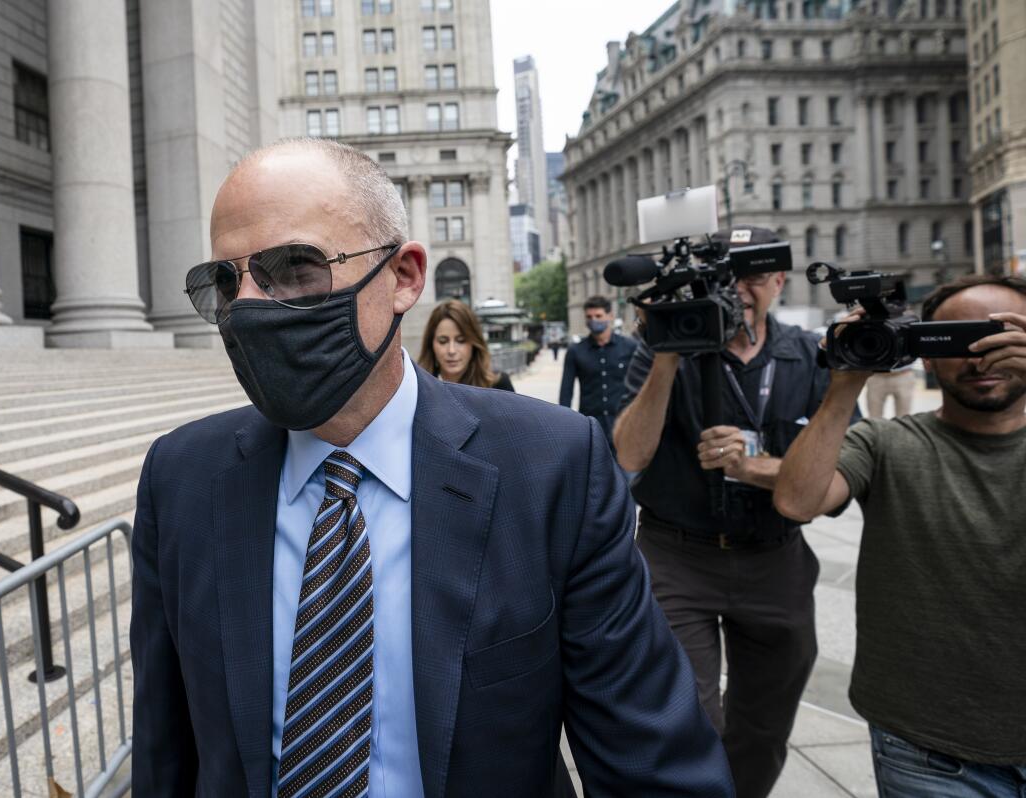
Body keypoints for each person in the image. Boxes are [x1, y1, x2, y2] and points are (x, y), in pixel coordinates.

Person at [131, 138, 733, 797]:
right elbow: (166, 752)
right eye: (223, 281)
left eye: (293, 267)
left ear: (404, 277)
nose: (247, 307)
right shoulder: (181, 478)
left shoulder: (552, 468)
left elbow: (652, 764)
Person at [612, 225, 855, 798]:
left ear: (778, 280)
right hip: (677, 556)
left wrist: (762, 467)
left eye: (752, 275)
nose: (738, 290)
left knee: (764, 724)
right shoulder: (661, 348)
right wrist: (668, 356)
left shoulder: (809, 355)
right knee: (685, 715)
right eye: (725, 276)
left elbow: (843, 473)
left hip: (775, 558)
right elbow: (628, 455)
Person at [774, 274, 1026, 798]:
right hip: (926, 748)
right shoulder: (887, 441)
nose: (980, 358)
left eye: (1000, 336)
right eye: (959, 340)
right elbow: (797, 501)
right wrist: (844, 384)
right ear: (925, 354)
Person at [558, 295, 638, 444]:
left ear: (610, 316)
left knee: (627, 467)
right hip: (591, 427)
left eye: (598, 316)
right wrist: (564, 426)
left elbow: (640, 385)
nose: (594, 320)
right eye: (589, 316)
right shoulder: (575, 351)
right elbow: (566, 392)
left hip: (624, 424)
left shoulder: (630, 347)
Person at [418, 299, 514, 391]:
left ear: (474, 343)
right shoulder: (417, 388)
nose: (452, 350)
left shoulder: (499, 385)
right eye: (443, 341)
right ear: (431, 344)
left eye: (461, 341)